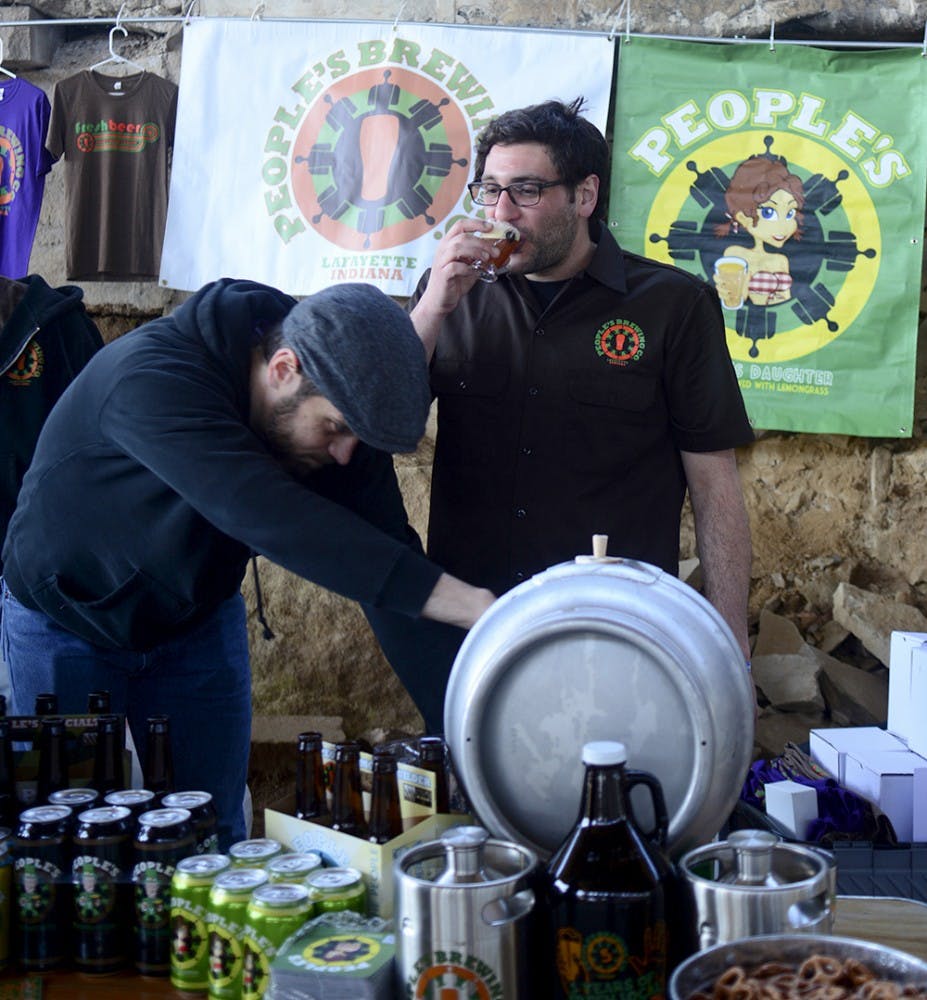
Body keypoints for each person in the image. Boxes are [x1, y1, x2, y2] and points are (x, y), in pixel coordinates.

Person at [1, 278, 494, 848]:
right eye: (333, 430)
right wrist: (477, 606)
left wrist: (463, 736)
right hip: (65, 617)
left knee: (213, 836)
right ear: (283, 369)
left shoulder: (337, 399)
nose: (343, 456)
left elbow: (387, 563)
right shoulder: (154, 378)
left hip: (195, 619)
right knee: (66, 840)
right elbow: (273, 516)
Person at [409, 97, 754, 682]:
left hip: (616, 626)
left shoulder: (673, 305)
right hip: (476, 625)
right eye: (489, 190)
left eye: (525, 190)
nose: (501, 212)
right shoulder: (451, 292)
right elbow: (391, 426)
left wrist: (729, 646)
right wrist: (433, 308)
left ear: (584, 196)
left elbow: (714, 482)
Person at [714, 153, 806, 307]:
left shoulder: (781, 261)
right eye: (768, 212)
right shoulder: (734, 257)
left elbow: (784, 303)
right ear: (742, 215)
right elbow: (733, 300)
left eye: (790, 213)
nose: (783, 226)